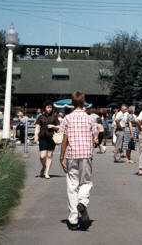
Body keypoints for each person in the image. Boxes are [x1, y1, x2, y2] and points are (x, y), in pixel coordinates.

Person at [59, 91, 96, 230]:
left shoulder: (67, 118)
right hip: (86, 154)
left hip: (71, 154)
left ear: (72, 103)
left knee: (72, 186)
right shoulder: (89, 118)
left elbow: (64, 138)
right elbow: (93, 137)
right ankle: (82, 201)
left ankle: (73, 220)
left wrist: (61, 156)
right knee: (85, 182)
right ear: (83, 102)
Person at [34, 101, 60, 179]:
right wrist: (35, 136)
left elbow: (59, 127)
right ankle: (44, 166)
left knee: (49, 155)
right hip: (42, 137)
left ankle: (47, 172)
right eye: (48, 107)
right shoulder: (41, 117)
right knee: (42, 156)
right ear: (45, 108)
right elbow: (37, 127)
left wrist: (53, 126)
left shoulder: (54, 116)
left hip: (51, 138)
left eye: (50, 107)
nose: (49, 109)